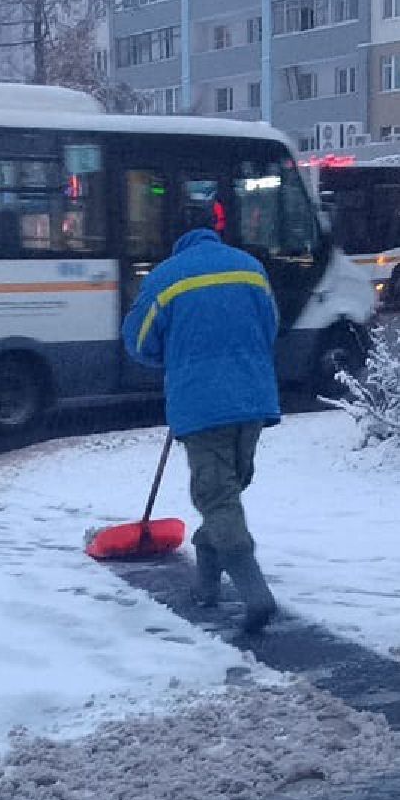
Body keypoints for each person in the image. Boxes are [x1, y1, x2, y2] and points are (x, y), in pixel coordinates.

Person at [121, 226, 282, 635]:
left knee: (217, 496)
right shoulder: (250, 268)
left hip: (201, 403)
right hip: (252, 399)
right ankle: (207, 584)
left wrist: (172, 355)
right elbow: (271, 326)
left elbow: (139, 341)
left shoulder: (165, 277)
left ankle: (255, 593)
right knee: (227, 491)